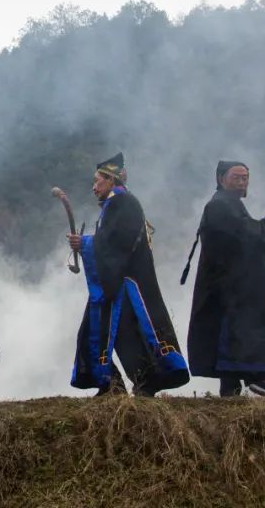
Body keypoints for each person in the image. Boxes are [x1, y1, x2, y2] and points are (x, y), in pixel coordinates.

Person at [67, 154, 189, 396]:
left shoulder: (124, 203)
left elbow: (118, 242)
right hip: (117, 282)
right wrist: (89, 244)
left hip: (128, 285)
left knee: (129, 335)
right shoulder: (115, 206)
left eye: (97, 181)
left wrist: (87, 244)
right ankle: (113, 385)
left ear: (111, 181)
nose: (94, 187)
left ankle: (138, 383)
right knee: (106, 333)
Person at [183, 160, 265, 397]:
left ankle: (230, 390)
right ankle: (263, 380)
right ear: (222, 179)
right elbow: (245, 238)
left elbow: (247, 239)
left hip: (232, 286)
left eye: (245, 177)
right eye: (236, 177)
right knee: (258, 328)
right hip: (231, 288)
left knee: (229, 335)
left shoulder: (229, 205)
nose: (242, 182)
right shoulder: (220, 205)